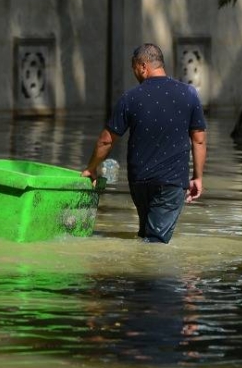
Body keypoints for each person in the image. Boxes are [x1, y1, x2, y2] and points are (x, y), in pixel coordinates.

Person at [82, 43, 207, 243]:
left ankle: (137, 272)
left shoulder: (130, 98)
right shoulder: (189, 94)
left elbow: (106, 140)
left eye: (134, 69)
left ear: (142, 66)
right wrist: (198, 177)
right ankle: (145, 273)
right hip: (171, 182)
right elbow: (199, 140)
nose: (135, 74)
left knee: (146, 235)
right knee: (156, 243)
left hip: (139, 181)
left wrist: (91, 168)